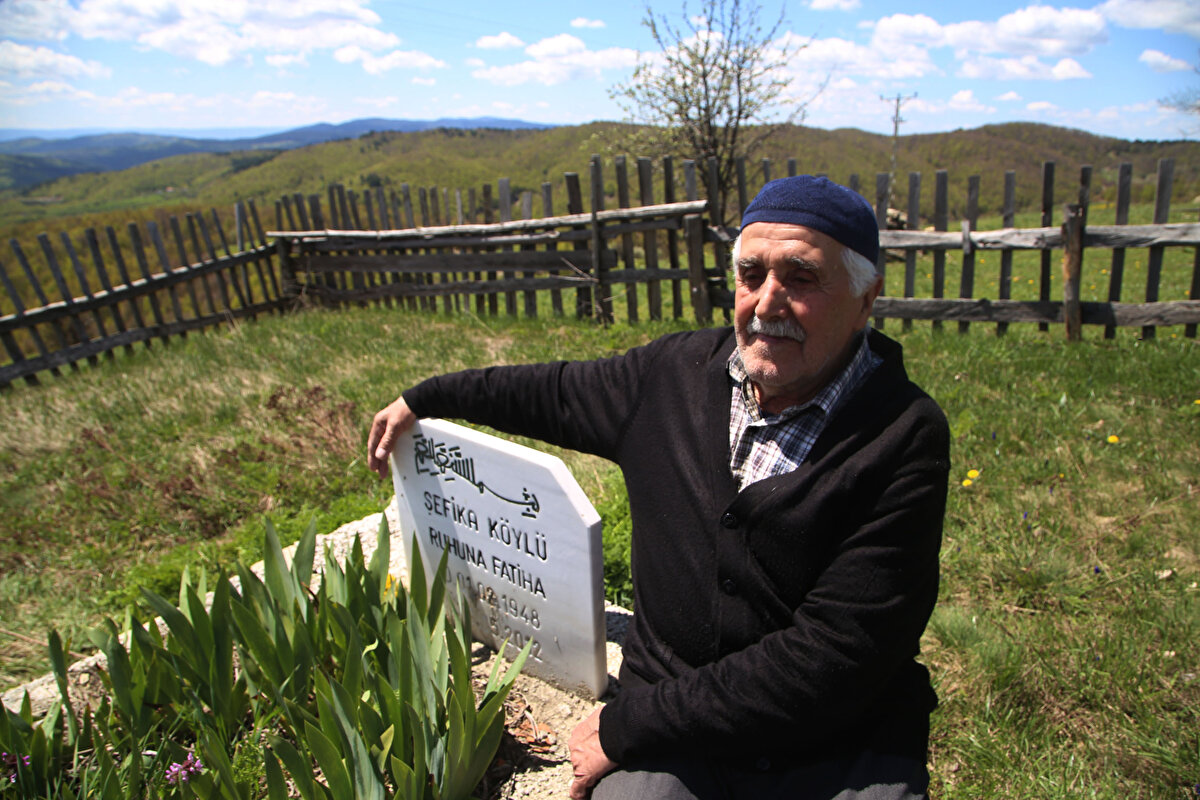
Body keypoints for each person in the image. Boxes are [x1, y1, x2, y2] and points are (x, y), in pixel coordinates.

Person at [367, 175, 950, 800]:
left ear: (866, 300)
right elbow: (553, 392)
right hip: (678, 725)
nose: (767, 302)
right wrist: (426, 398)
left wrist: (626, 727)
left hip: (832, 742)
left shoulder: (900, 435)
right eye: (751, 275)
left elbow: (836, 658)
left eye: (801, 278)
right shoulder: (673, 376)